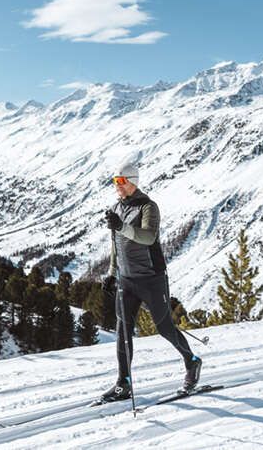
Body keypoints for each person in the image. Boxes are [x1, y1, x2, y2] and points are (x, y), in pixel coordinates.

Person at [99, 161, 201, 402]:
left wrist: (122, 226)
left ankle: (192, 361)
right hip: (127, 280)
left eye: (121, 182)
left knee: (164, 328)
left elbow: (147, 237)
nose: (117, 186)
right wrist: (112, 273)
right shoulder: (117, 207)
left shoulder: (148, 207)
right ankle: (123, 382)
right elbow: (116, 244)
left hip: (151, 279)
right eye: (115, 182)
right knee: (122, 330)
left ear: (132, 181)